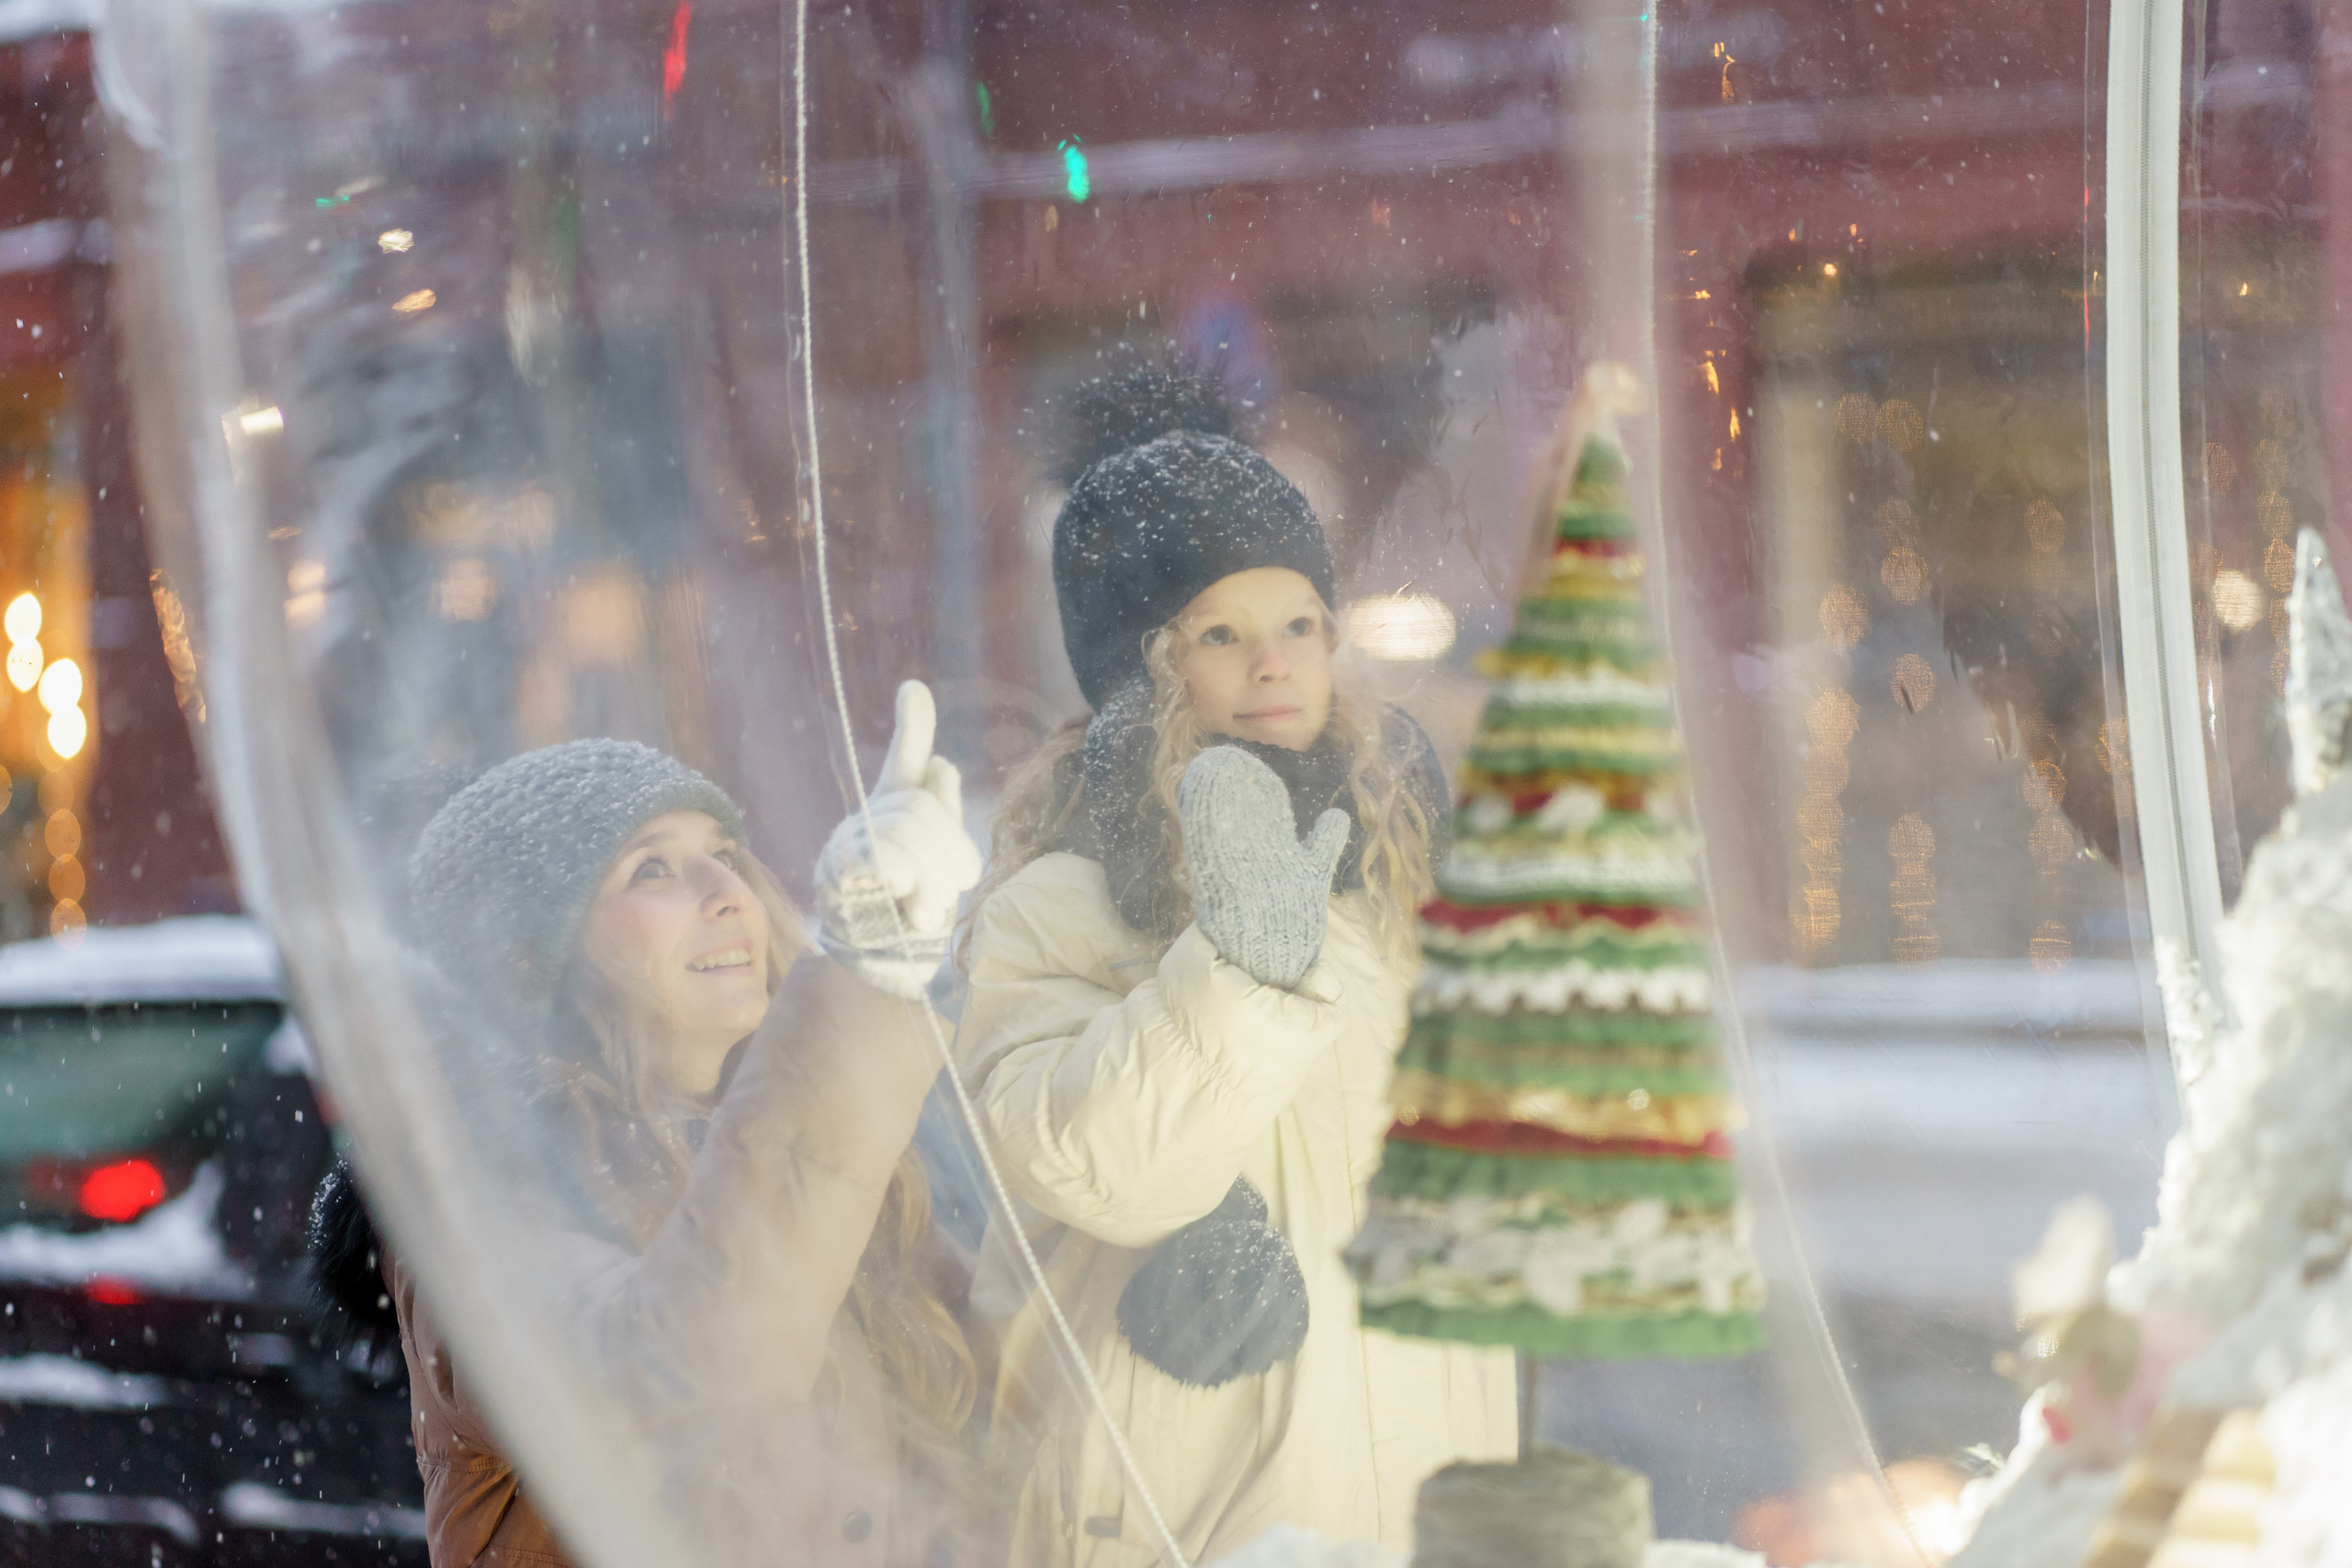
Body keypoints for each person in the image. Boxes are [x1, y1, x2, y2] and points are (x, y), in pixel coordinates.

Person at [956, 364, 1518, 1567]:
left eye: (1299, 625)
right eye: (1222, 632)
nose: (1274, 665)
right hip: (1187, 1523)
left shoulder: (1388, 883)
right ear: (1143, 665)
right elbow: (1091, 1164)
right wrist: (1245, 968)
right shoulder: (1060, 901)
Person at [320, 684, 988, 1568]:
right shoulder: (479, 1201)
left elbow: (1021, 1400)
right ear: (536, 960)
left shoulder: (843, 1147)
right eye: (652, 868)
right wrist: (861, 981)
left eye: (724, 852)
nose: (726, 890)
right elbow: (689, 1372)